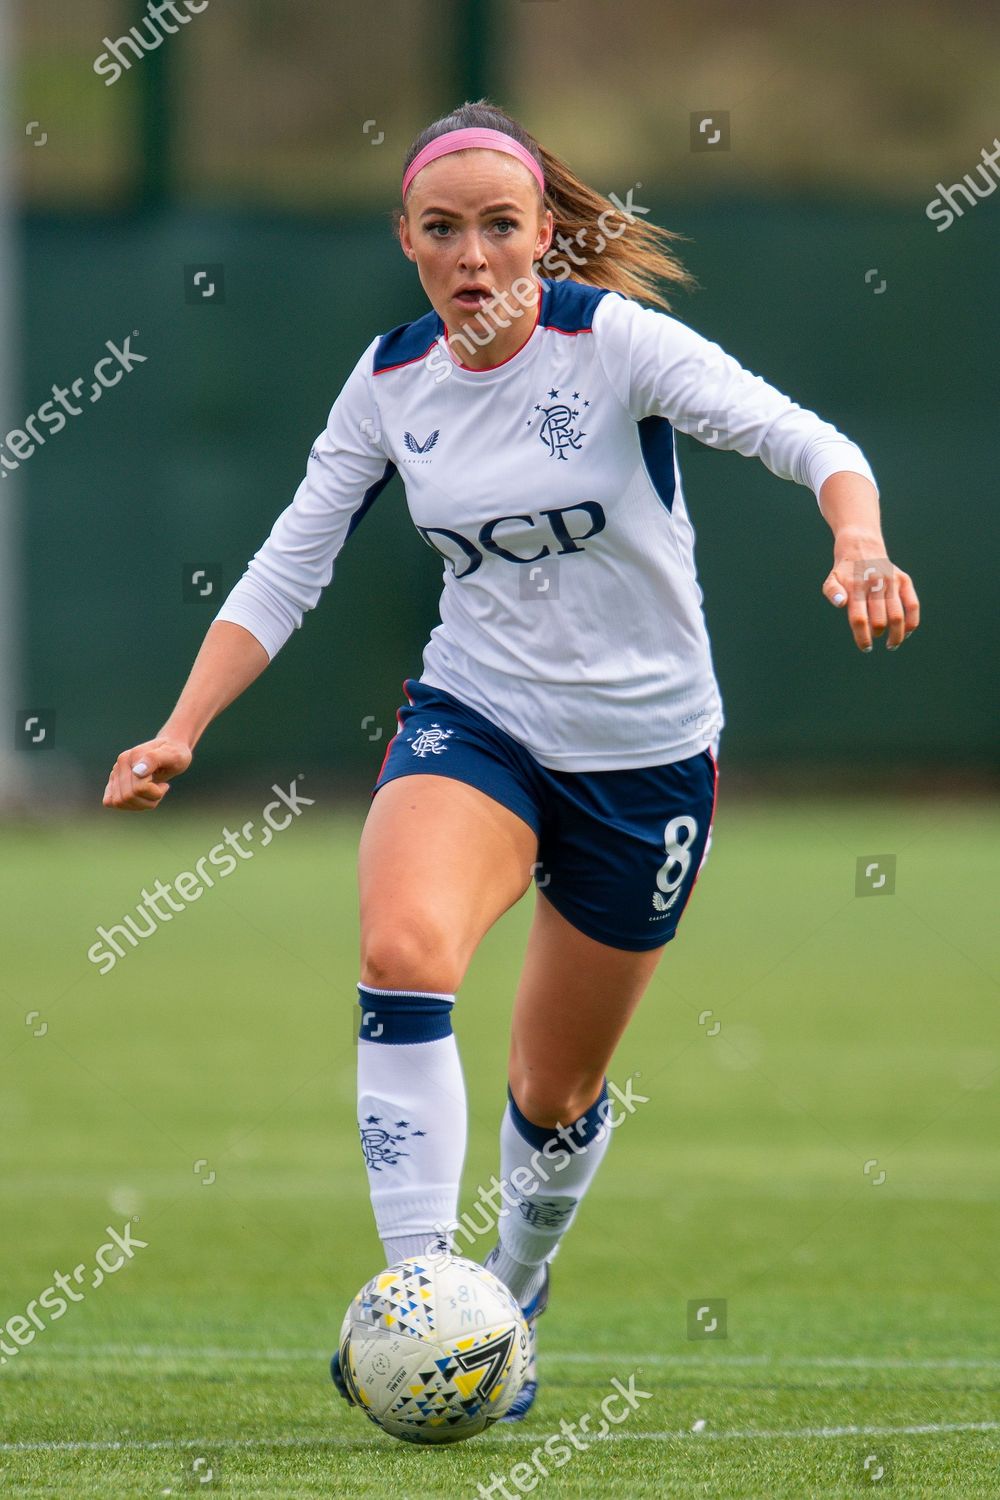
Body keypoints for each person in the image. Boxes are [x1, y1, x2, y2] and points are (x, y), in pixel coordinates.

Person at [103, 99, 920, 1423]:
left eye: (500, 226)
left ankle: (514, 1293)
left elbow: (815, 442)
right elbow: (287, 562)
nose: (473, 254)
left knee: (555, 1089)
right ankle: (426, 1304)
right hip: (476, 720)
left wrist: (861, 542)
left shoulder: (618, 347)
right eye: (443, 231)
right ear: (408, 243)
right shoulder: (388, 383)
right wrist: (181, 727)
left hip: (647, 760)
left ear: (546, 234)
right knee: (406, 953)